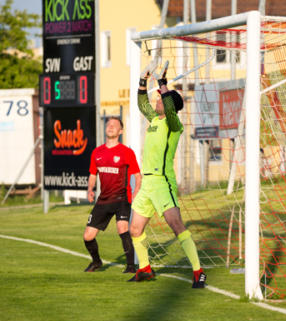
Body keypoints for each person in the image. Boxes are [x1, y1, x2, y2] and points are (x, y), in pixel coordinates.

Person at [128, 64, 207, 288]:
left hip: (163, 182)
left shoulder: (174, 124)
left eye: (160, 100)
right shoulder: (154, 120)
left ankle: (198, 272)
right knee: (135, 229)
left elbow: (170, 108)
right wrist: (143, 81)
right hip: (147, 183)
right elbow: (142, 103)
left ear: (170, 104)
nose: (156, 102)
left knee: (176, 225)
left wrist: (163, 84)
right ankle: (144, 269)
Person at [83, 117, 142, 273]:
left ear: (120, 131)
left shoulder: (126, 152)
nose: (110, 127)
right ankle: (96, 262)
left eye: (114, 125)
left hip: (121, 198)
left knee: (122, 228)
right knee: (88, 236)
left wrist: (136, 191)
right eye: (108, 124)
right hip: (103, 200)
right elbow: (93, 174)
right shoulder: (97, 152)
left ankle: (130, 267)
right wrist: (90, 189)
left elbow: (138, 175)